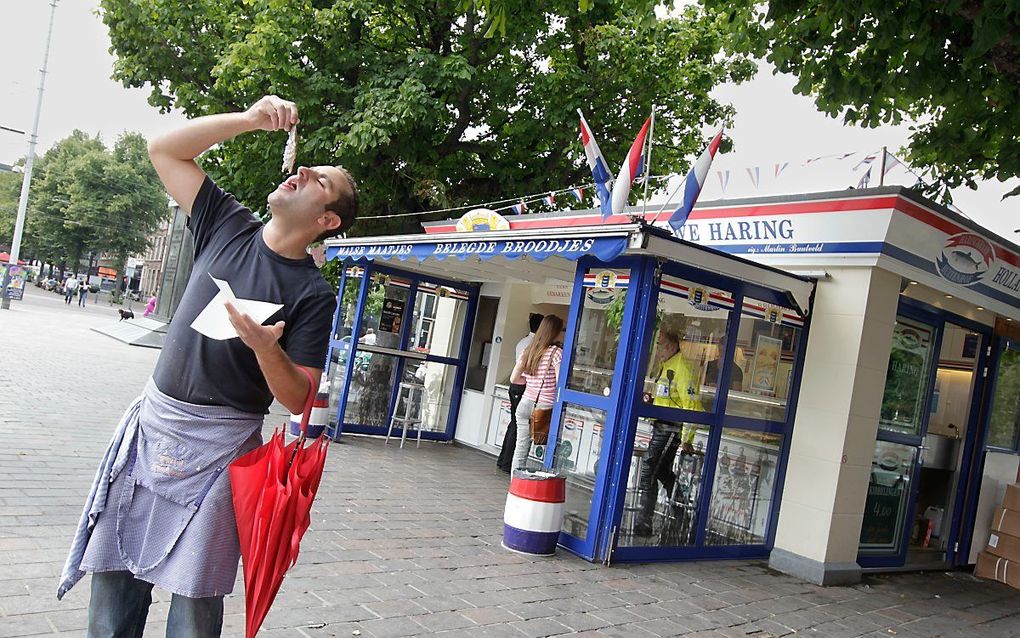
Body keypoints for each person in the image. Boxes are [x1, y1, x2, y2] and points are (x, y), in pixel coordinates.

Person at [58, 95, 359, 638]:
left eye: (322, 180)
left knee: (195, 609)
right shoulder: (228, 224)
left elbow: (299, 398)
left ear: (326, 219)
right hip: (152, 427)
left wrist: (266, 348)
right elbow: (165, 150)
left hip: (222, 451)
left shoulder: (311, 293)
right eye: (309, 167)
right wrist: (249, 121)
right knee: (113, 583)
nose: (305, 170)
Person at [634, 326, 703, 537]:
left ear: (672, 345)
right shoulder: (667, 366)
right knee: (663, 472)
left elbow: (692, 406)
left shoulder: (681, 368)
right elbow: (669, 397)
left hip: (670, 428)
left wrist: (686, 438)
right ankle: (681, 516)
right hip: (662, 425)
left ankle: (644, 522)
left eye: (661, 345)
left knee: (649, 471)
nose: (658, 350)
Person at [508, 315, 564, 471]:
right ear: (555, 332)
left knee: (520, 448)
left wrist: (529, 382)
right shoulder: (556, 352)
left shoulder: (529, 350)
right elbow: (560, 383)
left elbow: (514, 378)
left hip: (525, 403)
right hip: (544, 408)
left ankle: (515, 486)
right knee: (546, 450)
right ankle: (540, 487)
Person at [497, 313, 544, 472]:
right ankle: (507, 463)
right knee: (518, 425)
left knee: (514, 423)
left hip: (515, 386)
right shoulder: (534, 345)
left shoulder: (522, 341)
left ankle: (503, 459)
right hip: (523, 386)